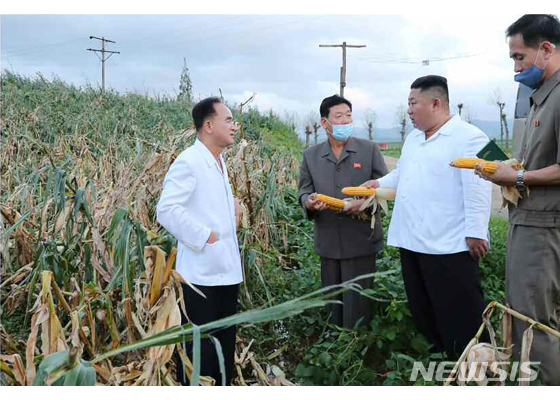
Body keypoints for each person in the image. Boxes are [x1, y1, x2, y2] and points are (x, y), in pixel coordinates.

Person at [363, 76, 492, 359]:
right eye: (407, 103)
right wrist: (378, 183)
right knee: (424, 308)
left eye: (413, 103)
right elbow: (402, 174)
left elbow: (481, 186)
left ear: (436, 103)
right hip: (413, 240)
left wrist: (476, 231)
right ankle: (442, 361)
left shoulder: (472, 136)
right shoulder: (413, 138)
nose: (408, 110)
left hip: (450, 244)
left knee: (459, 312)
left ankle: (473, 366)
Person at [476, 14, 560, 385]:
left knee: (535, 325)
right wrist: (508, 169)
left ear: (545, 49)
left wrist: (519, 176)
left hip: (545, 228)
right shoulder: (540, 97)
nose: (515, 67)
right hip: (530, 223)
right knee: (529, 317)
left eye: (518, 57)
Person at [156, 97, 243, 385]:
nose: (234, 126)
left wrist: (232, 211)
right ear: (208, 126)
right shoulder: (189, 161)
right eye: (228, 120)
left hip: (226, 272)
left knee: (222, 351)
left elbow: (207, 206)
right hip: (201, 278)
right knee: (200, 355)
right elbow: (167, 210)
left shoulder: (218, 162)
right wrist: (205, 236)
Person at [297, 94, 388, 329]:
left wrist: (365, 203)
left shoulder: (369, 150)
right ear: (324, 123)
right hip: (328, 240)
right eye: (339, 117)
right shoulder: (311, 156)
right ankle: (335, 346)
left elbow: (385, 188)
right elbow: (304, 191)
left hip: (361, 239)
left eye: (348, 116)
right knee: (333, 303)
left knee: (359, 305)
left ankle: (357, 347)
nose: (346, 121)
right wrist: (309, 201)